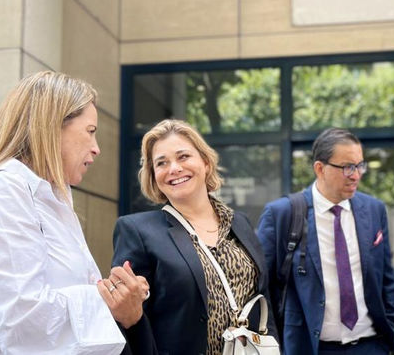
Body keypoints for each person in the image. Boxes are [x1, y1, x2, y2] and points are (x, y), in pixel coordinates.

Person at [0, 71, 148, 354]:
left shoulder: (50, 198)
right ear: (52, 127)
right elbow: (23, 319)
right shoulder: (5, 189)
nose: (97, 148)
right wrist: (110, 300)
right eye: (90, 131)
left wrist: (119, 292)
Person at [112, 119, 277, 355]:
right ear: (153, 174)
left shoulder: (239, 223)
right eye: (161, 163)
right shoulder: (136, 230)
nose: (174, 168)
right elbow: (129, 318)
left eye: (183, 157)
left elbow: (263, 299)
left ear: (206, 163)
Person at [257, 128, 394, 355]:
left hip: (371, 345)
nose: (356, 175)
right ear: (320, 169)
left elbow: (386, 280)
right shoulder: (282, 214)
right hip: (311, 348)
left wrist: (390, 334)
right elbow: (261, 286)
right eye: (347, 167)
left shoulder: (374, 209)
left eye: (360, 165)